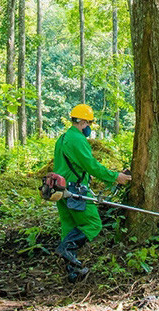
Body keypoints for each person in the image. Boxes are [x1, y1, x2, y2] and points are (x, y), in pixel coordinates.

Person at [52, 103, 131, 282]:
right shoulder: (78, 140)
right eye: (88, 123)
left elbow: (65, 165)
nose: (89, 127)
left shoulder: (63, 138)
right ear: (81, 122)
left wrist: (84, 176)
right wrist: (115, 176)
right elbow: (92, 165)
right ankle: (66, 249)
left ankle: (73, 273)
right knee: (93, 224)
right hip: (75, 192)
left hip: (61, 191)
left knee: (69, 228)